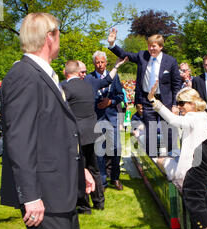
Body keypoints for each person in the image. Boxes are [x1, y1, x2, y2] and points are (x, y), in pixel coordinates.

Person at [0, 12, 95, 229]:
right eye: (59, 33)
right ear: (49, 37)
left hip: (61, 188)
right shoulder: (24, 75)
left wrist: (82, 170)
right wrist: (30, 196)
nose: (60, 39)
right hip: (44, 192)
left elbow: (56, 134)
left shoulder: (44, 74)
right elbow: (19, 140)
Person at [62, 57, 127, 212]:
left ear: (65, 72)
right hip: (93, 131)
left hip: (77, 134)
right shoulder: (90, 83)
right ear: (79, 72)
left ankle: (84, 206)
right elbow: (108, 79)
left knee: (80, 169)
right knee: (94, 168)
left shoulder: (63, 87)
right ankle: (99, 202)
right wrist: (116, 66)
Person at [107, 28, 182, 156]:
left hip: (165, 101)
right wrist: (112, 44)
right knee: (150, 133)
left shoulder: (171, 61)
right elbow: (125, 54)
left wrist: (175, 104)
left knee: (168, 131)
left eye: (154, 46)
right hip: (147, 101)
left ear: (161, 47)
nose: (151, 49)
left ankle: (172, 159)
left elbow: (176, 84)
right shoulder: (143, 56)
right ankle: (152, 162)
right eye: (149, 46)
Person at [149, 84, 207, 188]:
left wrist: (153, 100)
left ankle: (172, 189)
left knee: (160, 160)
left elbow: (172, 120)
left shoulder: (192, 117)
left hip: (191, 172)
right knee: (170, 155)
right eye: (177, 103)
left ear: (192, 103)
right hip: (206, 168)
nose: (178, 106)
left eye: (181, 103)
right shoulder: (204, 115)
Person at [88, 51, 125, 190]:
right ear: (94, 63)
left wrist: (110, 102)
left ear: (106, 62)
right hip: (97, 119)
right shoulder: (89, 78)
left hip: (112, 117)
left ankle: (115, 178)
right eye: (97, 62)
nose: (100, 65)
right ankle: (102, 181)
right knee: (100, 151)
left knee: (116, 149)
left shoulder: (114, 77)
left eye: (102, 62)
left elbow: (121, 96)